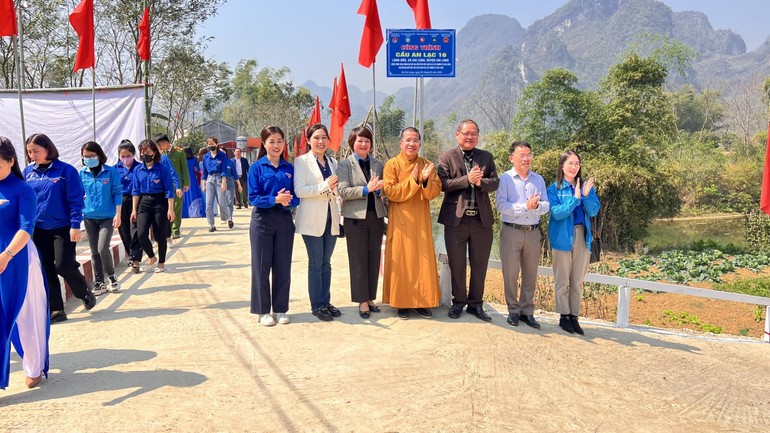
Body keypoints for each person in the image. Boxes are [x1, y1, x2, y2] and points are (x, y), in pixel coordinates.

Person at [23, 133, 96, 323]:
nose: (32, 155)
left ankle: (83, 290)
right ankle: (56, 309)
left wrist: (75, 226)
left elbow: (75, 200)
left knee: (62, 265)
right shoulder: (28, 173)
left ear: (48, 149)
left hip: (62, 227)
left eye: (36, 151)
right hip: (38, 229)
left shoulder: (65, 171)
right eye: (30, 152)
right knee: (46, 269)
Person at [438, 119, 499, 322]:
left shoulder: (486, 157)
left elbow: (495, 182)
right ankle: (458, 302)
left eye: (474, 133)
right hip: (456, 221)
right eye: (466, 133)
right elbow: (443, 184)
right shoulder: (447, 157)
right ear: (457, 135)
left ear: (478, 136)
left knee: (479, 264)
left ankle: (476, 304)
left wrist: (480, 182)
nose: (469, 137)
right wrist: (467, 180)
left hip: (481, 220)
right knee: (457, 263)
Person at [0, 137, 49, 389]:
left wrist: (6, 256)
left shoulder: (22, 190)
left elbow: (26, 228)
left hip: (18, 257)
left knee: (26, 314)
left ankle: (33, 363)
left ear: (11, 161)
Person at [382, 127, 442, 320]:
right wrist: (414, 180)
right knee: (402, 260)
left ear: (420, 144)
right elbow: (391, 192)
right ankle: (402, 303)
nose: (411, 144)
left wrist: (424, 181)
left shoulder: (427, 165)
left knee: (422, 262)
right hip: (400, 221)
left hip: (421, 221)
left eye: (415, 140)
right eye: (407, 140)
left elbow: (433, 192)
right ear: (401, 143)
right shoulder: (391, 165)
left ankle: (422, 302)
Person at [248, 126, 299, 327]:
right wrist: (274, 199)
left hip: (284, 221)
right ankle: (262, 311)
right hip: (262, 221)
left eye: (279, 141)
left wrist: (289, 201)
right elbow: (252, 198)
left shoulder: (290, 169)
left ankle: (280, 309)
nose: (276, 145)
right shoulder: (257, 168)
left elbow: (297, 199)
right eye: (272, 141)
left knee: (282, 266)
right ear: (264, 144)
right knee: (261, 266)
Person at [496, 141, 550, 329]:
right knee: (510, 273)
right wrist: (525, 206)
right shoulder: (505, 179)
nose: (526, 158)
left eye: (529, 154)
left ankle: (528, 311)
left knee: (530, 273)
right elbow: (501, 206)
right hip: (511, 230)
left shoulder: (539, 180)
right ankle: (513, 310)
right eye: (522, 155)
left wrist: (536, 206)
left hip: (533, 232)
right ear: (512, 158)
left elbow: (546, 206)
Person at [547, 150, 601, 335]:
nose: (574, 167)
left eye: (577, 163)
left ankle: (574, 317)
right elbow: (557, 213)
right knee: (562, 280)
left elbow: (593, 211)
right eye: (570, 163)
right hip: (562, 238)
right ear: (562, 166)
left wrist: (585, 196)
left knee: (577, 281)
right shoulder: (554, 189)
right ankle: (564, 316)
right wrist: (574, 199)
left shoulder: (586, 187)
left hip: (582, 237)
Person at [337, 126, 387, 319]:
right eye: (360, 141)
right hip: (355, 219)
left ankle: (371, 297)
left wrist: (379, 190)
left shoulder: (378, 164)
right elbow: (343, 191)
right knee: (358, 259)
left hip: (376, 217)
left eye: (367, 141)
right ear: (352, 143)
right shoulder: (345, 165)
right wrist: (366, 189)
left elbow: (383, 190)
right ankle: (361, 300)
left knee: (374, 257)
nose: (364, 144)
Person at [294, 124, 342, 322]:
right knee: (315, 263)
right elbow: (300, 190)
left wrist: (334, 189)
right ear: (308, 140)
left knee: (326, 263)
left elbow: (336, 190)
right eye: (316, 138)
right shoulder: (301, 162)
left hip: (331, 217)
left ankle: (326, 301)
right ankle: (317, 305)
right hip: (312, 220)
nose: (320, 142)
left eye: (324, 138)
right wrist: (325, 186)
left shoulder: (333, 162)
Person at [79, 141, 122, 295]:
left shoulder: (110, 172)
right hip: (89, 216)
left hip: (107, 217)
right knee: (94, 251)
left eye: (91, 156)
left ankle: (112, 277)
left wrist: (118, 214)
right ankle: (99, 282)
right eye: (85, 156)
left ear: (99, 155)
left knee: (102, 247)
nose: (88, 159)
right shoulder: (82, 173)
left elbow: (117, 193)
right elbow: (78, 195)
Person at [131, 139, 175, 273]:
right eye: (143, 153)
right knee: (142, 233)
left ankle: (161, 263)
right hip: (144, 202)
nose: (145, 155)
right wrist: (134, 209)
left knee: (159, 235)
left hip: (160, 202)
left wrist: (170, 209)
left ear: (154, 153)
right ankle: (151, 256)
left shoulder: (162, 169)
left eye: (148, 152)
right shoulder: (138, 169)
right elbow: (135, 191)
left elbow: (169, 189)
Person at [115, 140, 143, 273]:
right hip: (120, 202)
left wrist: (135, 208)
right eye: (123, 156)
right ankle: (131, 255)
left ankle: (136, 259)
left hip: (136, 200)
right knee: (124, 231)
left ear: (133, 154)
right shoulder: (115, 169)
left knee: (136, 230)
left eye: (128, 156)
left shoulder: (139, 167)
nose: (126, 159)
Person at [155, 134, 190, 240]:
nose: (159, 147)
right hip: (164, 185)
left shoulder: (179, 153)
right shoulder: (160, 155)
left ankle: (175, 229)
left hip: (176, 184)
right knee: (167, 207)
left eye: (160, 145)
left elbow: (184, 168)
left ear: (166, 143)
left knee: (177, 206)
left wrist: (186, 183)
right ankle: (168, 229)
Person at [201, 136, 232, 232]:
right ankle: (211, 224)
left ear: (217, 144)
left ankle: (229, 218)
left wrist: (223, 183)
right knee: (208, 203)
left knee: (221, 202)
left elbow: (224, 170)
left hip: (219, 179)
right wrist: (204, 184)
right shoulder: (205, 157)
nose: (211, 146)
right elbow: (204, 172)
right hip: (209, 179)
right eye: (209, 144)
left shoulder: (222, 156)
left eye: (212, 144)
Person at [182, 146, 205, 218]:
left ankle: (184, 213)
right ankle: (196, 212)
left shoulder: (182, 160)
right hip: (192, 178)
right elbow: (198, 170)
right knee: (194, 194)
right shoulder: (194, 159)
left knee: (185, 196)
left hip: (184, 179)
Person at [221, 148, 241, 226]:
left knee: (230, 201)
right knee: (222, 201)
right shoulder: (217, 163)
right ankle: (224, 217)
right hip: (221, 183)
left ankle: (230, 218)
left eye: (223, 152)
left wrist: (239, 185)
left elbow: (235, 174)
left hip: (230, 182)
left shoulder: (230, 162)